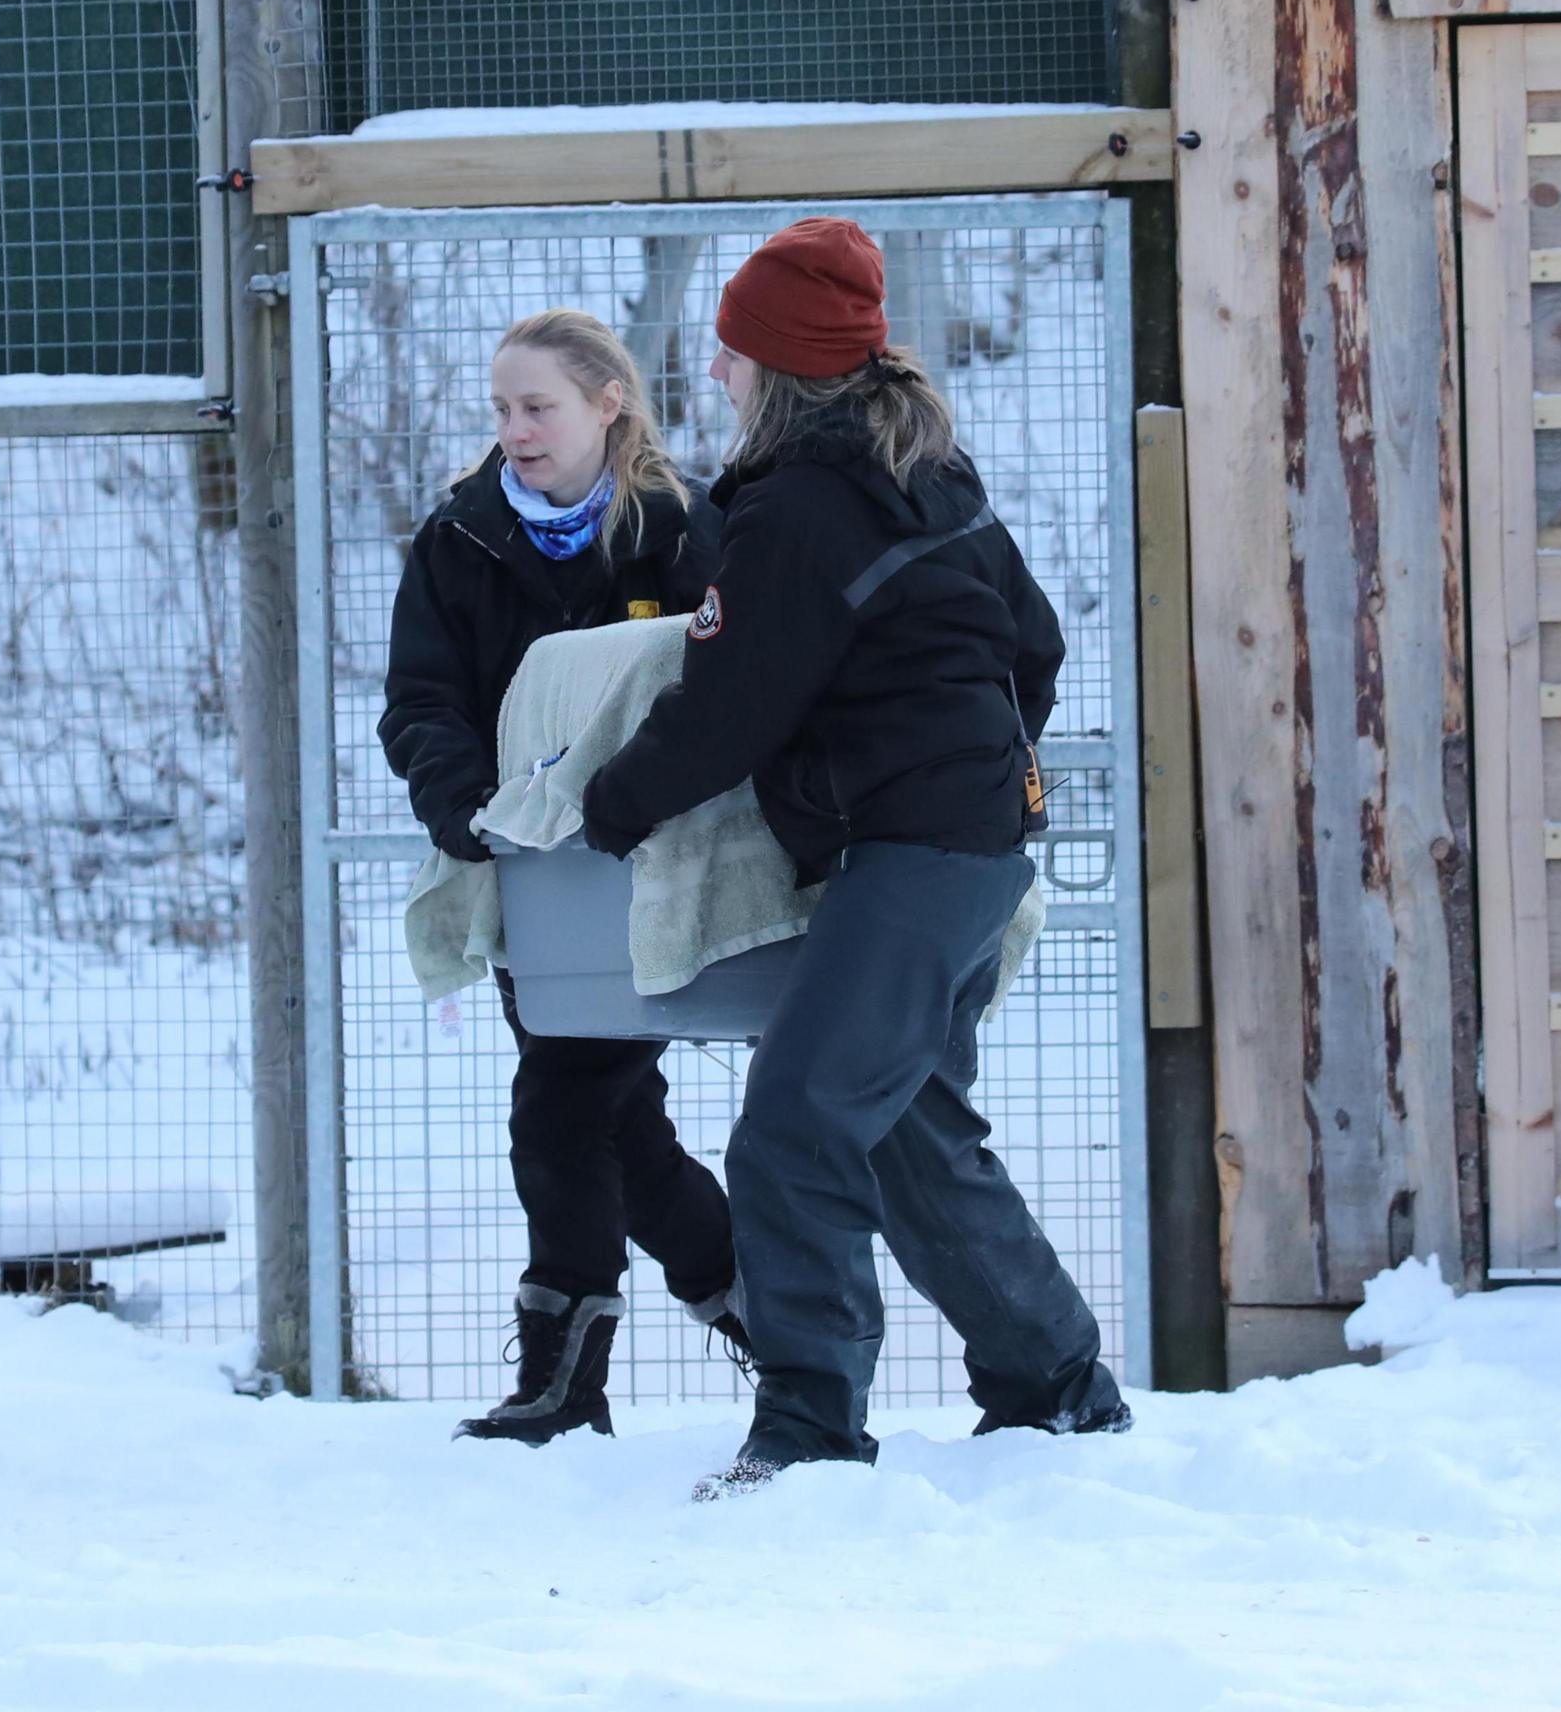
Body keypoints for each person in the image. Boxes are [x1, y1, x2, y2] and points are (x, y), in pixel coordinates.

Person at [578, 216, 1121, 1496]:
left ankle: (812, 1435)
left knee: (793, 1131)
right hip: (971, 842)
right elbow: (1031, 644)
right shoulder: (928, 471)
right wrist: (971, 763)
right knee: (910, 1132)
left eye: (730, 354)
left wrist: (609, 807)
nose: (714, 374)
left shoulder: (796, 516)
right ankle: (1058, 1388)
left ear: (777, 367)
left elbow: (728, 706)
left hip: (926, 854)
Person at [378, 308, 742, 1445]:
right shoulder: (459, 539)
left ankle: (561, 1382)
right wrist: (463, 804)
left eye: (538, 406)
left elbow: (732, 678)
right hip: (526, 873)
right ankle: (765, 1312)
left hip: (650, 862)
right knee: (616, 1124)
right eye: (501, 409)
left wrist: (641, 793)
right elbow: (421, 703)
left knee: (561, 1106)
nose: (516, 430)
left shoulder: (679, 530)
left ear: (606, 404)